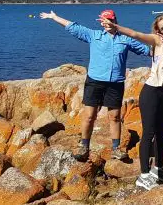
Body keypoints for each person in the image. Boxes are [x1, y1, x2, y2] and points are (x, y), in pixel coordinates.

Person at [39, 9, 149, 161]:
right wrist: (54, 17)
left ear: (115, 20)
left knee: (115, 116)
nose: (107, 23)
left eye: (109, 20)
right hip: (95, 81)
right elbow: (73, 27)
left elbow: (147, 50)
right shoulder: (94, 35)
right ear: (101, 23)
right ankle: (84, 146)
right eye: (104, 21)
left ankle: (116, 149)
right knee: (89, 116)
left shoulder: (125, 39)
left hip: (115, 83)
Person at [99, 14, 163, 190]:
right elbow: (134, 34)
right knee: (149, 133)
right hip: (152, 92)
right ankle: (143, 175)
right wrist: (115, 26)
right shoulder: (156, 40)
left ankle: (159, 170)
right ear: (158, 30)